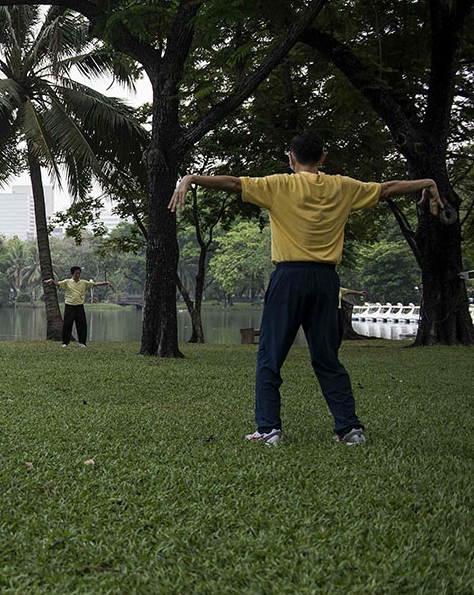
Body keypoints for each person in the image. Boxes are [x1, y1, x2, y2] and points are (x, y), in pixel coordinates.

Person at [169, 132, 443, 446]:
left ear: (291, 157)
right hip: (327, 281)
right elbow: (387, 189)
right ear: (323, 158)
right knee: (327, 357)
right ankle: (350, 429)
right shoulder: (343, 187)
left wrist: (191, 178)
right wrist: (427, 183)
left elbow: (233, 183)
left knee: (270, 356)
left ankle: (269, 429)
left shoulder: (279, 185)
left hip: (289, 278)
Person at [44, 267, 112, 348]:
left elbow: (95, 284)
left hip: (79, 306)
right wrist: (52, 281)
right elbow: (58, 284)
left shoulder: (83, 282)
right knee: (67, 325)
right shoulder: (67, 282)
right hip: (69, 306)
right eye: (76, 273)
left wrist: (106, 283)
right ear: (73, 274)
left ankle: (82, 343)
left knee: (82, 324)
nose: (78, 275)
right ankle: (65, 342)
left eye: (79, 273)